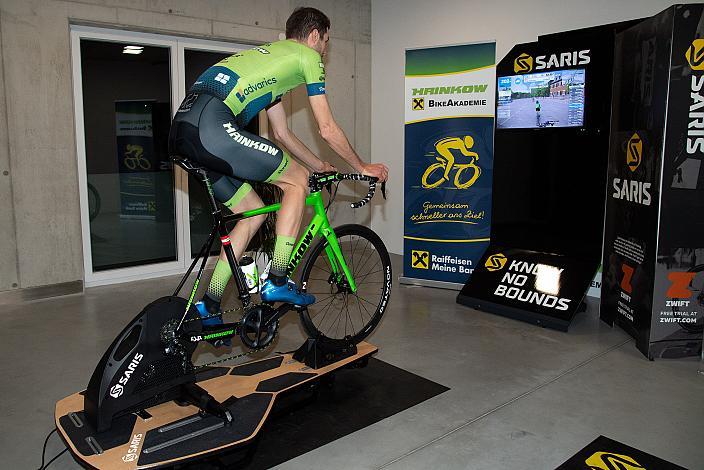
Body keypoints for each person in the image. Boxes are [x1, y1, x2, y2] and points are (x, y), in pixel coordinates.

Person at [168, 7, 388, 331]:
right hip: (213, 128)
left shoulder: (271, 62)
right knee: (295, 182)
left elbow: (282, 134)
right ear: (314, 36)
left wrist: (320, 166)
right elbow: (326, 128)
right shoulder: (306, 57)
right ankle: (277, 278)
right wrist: (362, 166)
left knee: (253, 212)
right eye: (326, 42)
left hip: (184, 131)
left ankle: (210, 304)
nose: (325, 52)